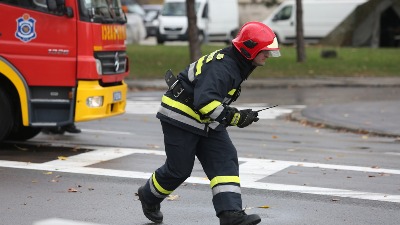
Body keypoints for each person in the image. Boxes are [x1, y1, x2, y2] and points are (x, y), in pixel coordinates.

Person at [137, 21, 280, 225]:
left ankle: (230, 214)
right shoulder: (224, 67)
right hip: (181, 116)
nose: (268, 56)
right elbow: (205, 102)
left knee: (225, 158)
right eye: (265, 51)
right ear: (250, 49)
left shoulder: (238, 63)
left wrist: (233, 116)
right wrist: (236, 117)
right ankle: (148, 196)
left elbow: (208, 104)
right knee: (179, 170)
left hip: (205, 119)